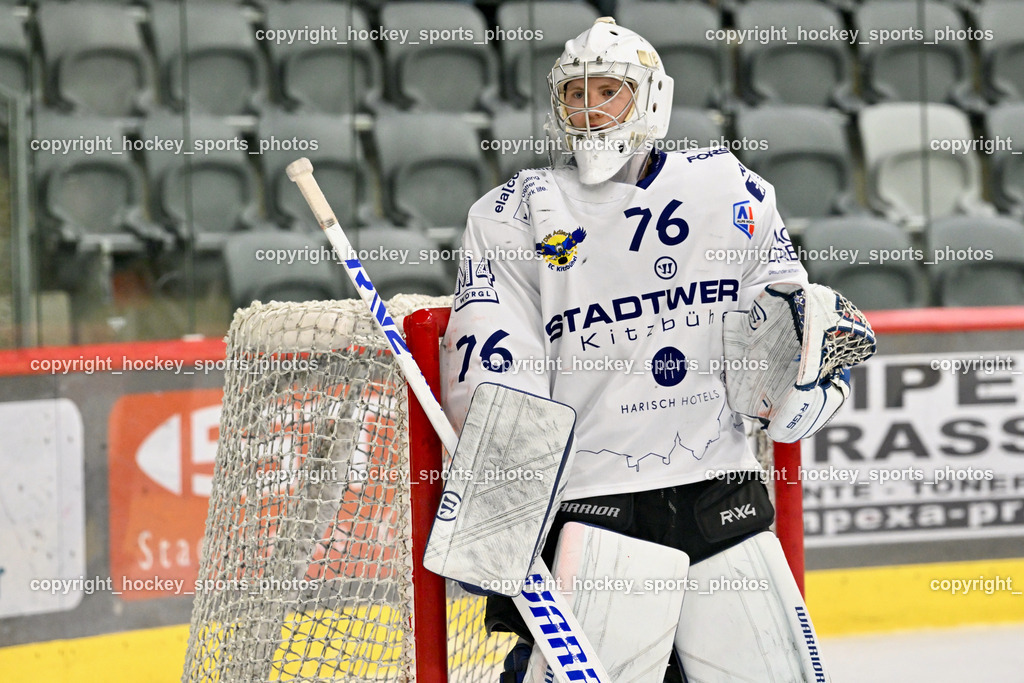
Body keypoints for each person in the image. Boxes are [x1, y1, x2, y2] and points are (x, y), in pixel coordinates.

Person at [440, 17, 858, 682]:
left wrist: (804, 380)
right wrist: (503, 516)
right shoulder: (517, 211)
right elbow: (493, 370)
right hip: (598, 510)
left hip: (721, 495)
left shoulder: (732, 191)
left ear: (653, 98)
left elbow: (782, 333)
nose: (590, 109)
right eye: (575, 94)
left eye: (609, 91)